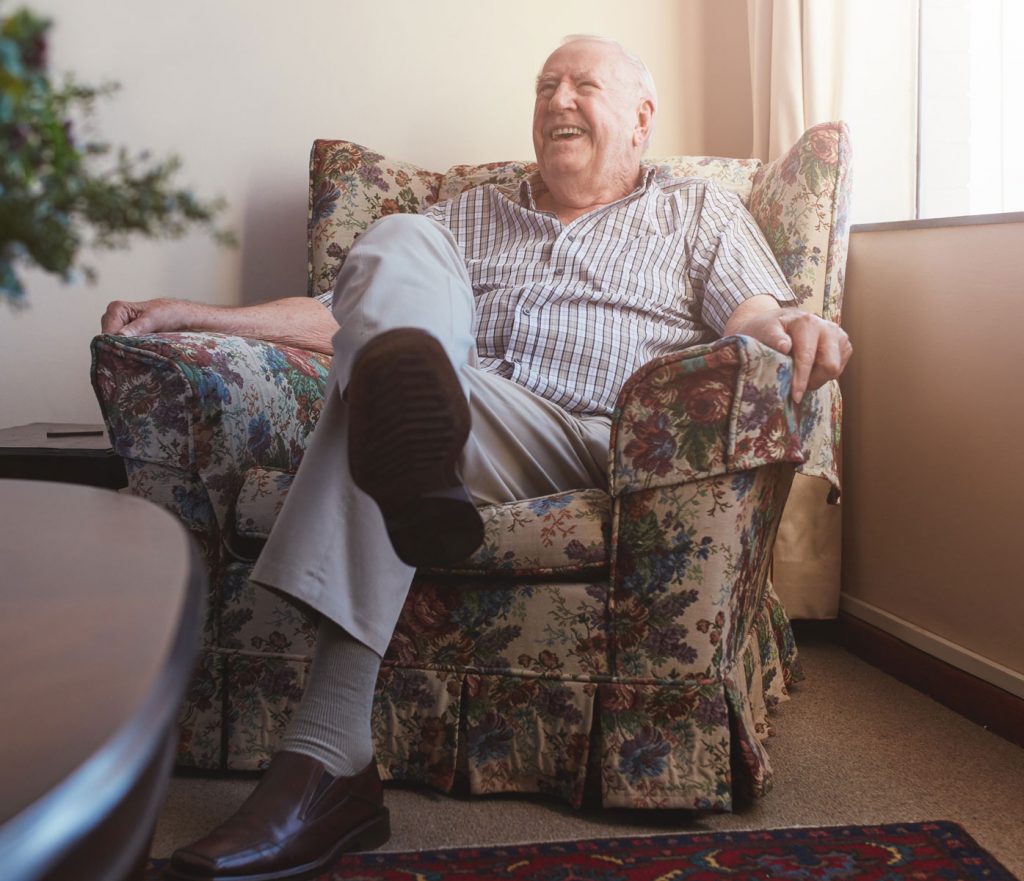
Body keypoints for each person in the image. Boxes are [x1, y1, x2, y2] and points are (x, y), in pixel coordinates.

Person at [103, 36, 851, 881]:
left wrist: (795, 324)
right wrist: (196, 316)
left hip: (593, 440)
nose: (558, 99)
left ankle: (325, 757)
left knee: (374, 392)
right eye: (546, 85)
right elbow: (335, 313)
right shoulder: (468, 214)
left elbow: (751, 315)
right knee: (393, 273)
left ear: (642, 118)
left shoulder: (696, 212)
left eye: (583, 85)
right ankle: (409, 453)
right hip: (464, 411)